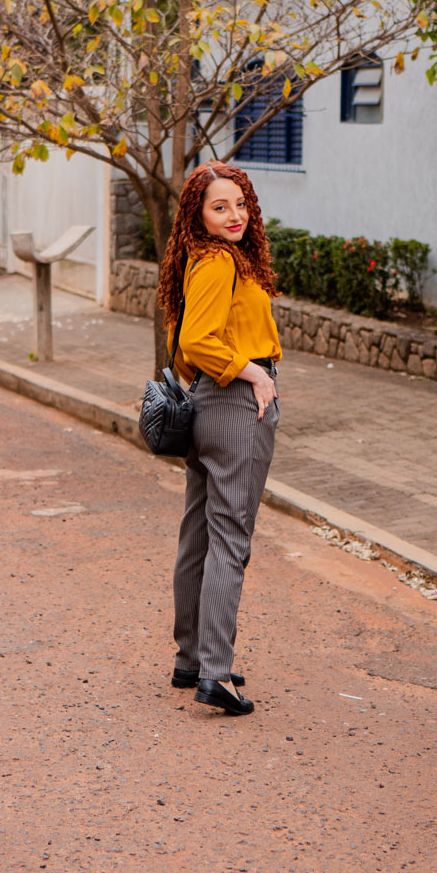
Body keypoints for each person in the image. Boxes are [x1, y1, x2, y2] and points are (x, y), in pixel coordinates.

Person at [157, 162, 281, 716]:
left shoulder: (206, 259)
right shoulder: (216, 262)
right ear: (198, 214)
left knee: (200, 536)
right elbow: (195, 339)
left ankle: (193, 659)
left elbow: (180, 345)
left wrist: (214, 383)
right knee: (229, 537)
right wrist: (253, 374)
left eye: (240, 204)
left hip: (213, 399)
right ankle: (214, 673)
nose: (235, 215)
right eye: (220, 206)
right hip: (236, 400)